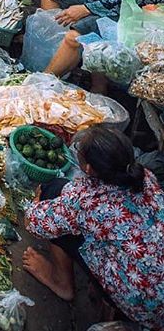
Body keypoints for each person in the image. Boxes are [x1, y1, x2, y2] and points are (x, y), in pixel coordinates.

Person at [24, 125, 164, 329]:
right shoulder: (146, 177)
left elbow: (34, 223)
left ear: (88, 168)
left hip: (144, 306)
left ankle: (62, 283)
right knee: (69, 207)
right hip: (156, 291)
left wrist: (37, 202)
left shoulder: (87, 202)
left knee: (51, 195)